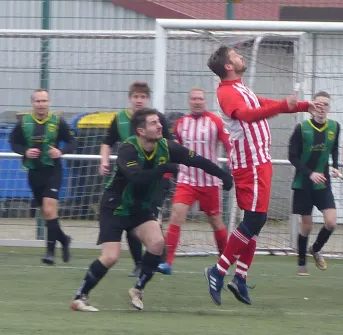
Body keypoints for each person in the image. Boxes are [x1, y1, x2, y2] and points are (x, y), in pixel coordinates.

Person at [70, 108, 233, 312]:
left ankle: (138, 289)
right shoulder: (128, 148)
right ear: (141, 130)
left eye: (159, 122)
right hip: (115, 207)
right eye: (154, 123)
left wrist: (223, 175)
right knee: (111, 256)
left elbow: (196, 160)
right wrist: (163, 169)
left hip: (140, 209)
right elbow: (136, 178)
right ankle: (80, 297)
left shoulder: (167, 147)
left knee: (157, 244)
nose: (160, 126)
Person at [203, 45, 322, 306]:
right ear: (228, 66)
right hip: (250, 164)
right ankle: (219, 270)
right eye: (235, 55)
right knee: (256, 220)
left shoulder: (240, 88)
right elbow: (247, 115)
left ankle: (240, 278)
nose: (240, 56)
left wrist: (301, 106)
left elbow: (262, 104)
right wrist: (281, 107)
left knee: (255, 221)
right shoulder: (226, 92)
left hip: (259, 162)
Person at [100, 80, 173, 277]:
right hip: (129, 179)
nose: (139, 100)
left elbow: (170, 145)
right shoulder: (120, 119)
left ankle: (158, 257)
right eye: (135, 97)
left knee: (149, 217)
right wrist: (104, 161)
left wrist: (168, 168)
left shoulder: (156, 120)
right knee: (133, 218)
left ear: (147, 99)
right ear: (130, 98)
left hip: (154, 179)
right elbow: (107, 142)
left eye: (142, 97)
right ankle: (141, 263)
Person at [159, 88, 232, 274]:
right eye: (194, 99)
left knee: (216, 222)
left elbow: (228, 144)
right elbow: (175, 152)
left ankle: (224, 263)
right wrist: (167, 175)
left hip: (210, 182)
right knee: (176, 216)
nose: (197, 101)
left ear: (205, 101)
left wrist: (230, 169)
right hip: (187, 180)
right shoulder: (180, 124)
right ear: (189, 102)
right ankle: (167, 263)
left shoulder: (215, 121)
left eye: (200, 98)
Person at [9, 89, 77, 265]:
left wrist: (60, 151)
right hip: (34, 171)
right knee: (47, 213)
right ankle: (63, 239)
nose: (41, 104)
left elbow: (73, 141)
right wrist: (25, 151)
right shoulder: (24, 122)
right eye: (38, 101)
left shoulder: (58, 122)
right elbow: (13, 142)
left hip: (53, 170)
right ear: (32, 103)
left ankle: (50, 252)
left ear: (49, 102)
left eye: (44, 101)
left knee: (49, 208)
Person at [288, 91, 340, 276]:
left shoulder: (335, 127)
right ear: (312, 107)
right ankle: (302, 263)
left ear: (329, 108)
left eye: (325, 104)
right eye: (318, 104)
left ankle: (316, 248)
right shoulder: (301, 128)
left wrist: (334, 166)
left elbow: (334, 148)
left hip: (323, 183)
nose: (321, 108)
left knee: (331, 222)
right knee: (307, 225)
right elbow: (292, 156)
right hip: (304, 183)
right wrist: (309, 173)